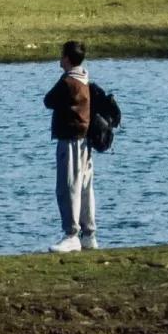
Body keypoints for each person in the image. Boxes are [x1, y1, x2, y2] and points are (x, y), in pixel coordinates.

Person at [43, 39, 97, 252]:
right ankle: (89, 234)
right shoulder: (84, 77)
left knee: (68, 186)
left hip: (70, 140)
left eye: (61, 54)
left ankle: (71, 234)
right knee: (84, 187)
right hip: (85, 141)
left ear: (67, 58)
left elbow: (48, 100)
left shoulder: (68, 82)